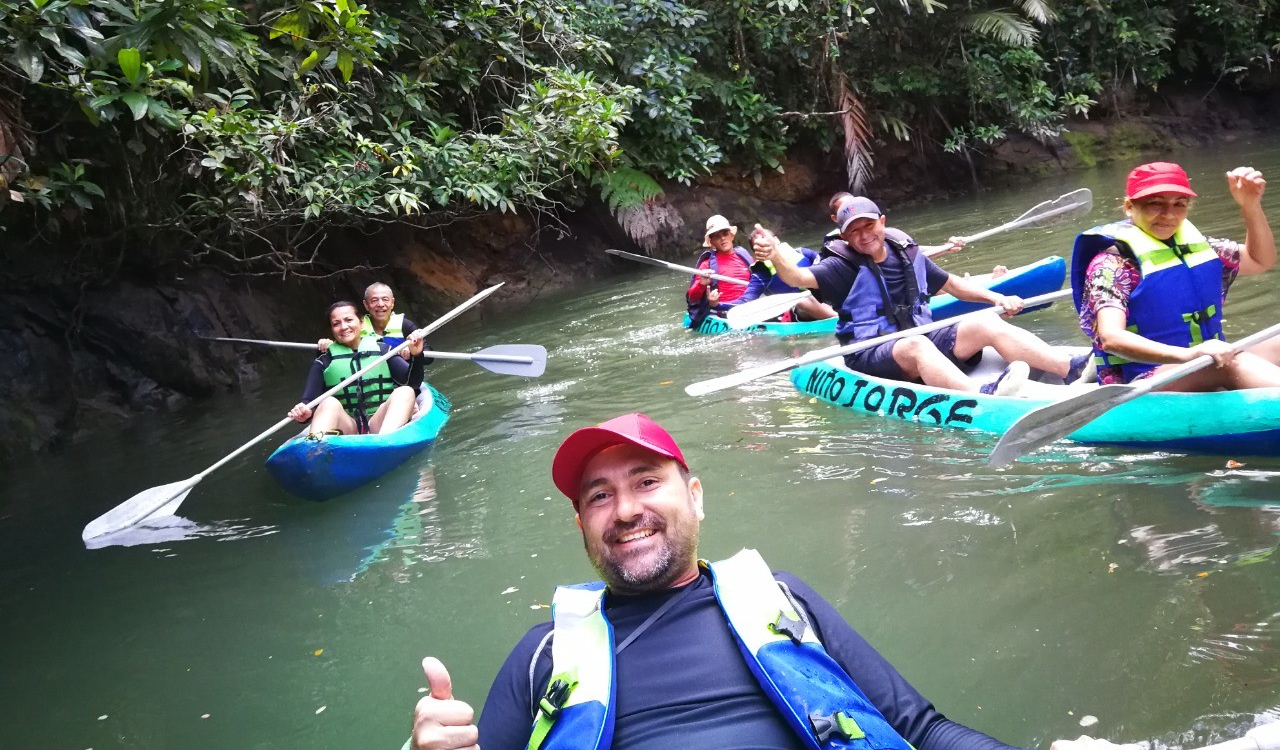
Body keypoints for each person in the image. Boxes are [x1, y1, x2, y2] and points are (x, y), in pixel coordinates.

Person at [408, 413, 1102, 750]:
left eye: (647, 482)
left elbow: (922, 729)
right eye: (599, 496)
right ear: (582, 525)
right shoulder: (542, 656)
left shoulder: (783, 601)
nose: (624, 511)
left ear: (696, 497)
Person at [755, 197, 1092, 396]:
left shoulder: (906, 253)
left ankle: (1069, 369)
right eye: (853, 231)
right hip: (871, 351)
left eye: (868, 225)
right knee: (916, 345)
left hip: (921, 334)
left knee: (985, 322)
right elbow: (797, 277)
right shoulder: (840, 267)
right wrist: (775, 255)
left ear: (882, 222)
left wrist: (996, 299)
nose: (863, 235)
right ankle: (980, 396)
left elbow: (953, 285)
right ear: (844, 237)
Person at [1072, 161, 1280, 390]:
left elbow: (1259, 261)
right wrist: (1191, 355)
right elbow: (1111, 338)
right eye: (1155, 203)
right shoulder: (1111, 265)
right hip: (1142, 380)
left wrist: (1250, 206)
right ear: (1130, 207)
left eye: (1179, 204)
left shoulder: (1200, 248)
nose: (1168, 215)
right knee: (1228, 365)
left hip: (1205, 361)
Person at [289, 300, 429, 436]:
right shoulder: (324, 361)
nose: (344, 327)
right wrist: (304, 412)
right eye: (336, 324)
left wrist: (416, 356)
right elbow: (309, 401)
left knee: (405, 391)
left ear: (361, 323)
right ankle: (315, 446)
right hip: (347, 427)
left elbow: (412, 383)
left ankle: (384, 442)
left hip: (380, 422)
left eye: (349, 320)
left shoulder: (383, 350)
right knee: (328, 403)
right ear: (332, 330)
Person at [825, 191, 967, 260]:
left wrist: (945, 248)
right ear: (834, 218)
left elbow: (909, 250)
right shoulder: (835, 244)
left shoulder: (878, 230)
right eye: (844, 208)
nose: (852, 209)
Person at [742, 225, 837, 321]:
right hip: (797, 308)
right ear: (757, 253)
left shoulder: (802, 252)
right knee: (803, 301)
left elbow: (828, 268)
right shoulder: (761, 270)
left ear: (776, 239)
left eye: (764, 239)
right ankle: (836, 317)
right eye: (758, 246)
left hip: (822, 295)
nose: (764, 246)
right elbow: (749, 296)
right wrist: (733, 308)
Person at [685, 214, 754, 327]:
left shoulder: (746, 257)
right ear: (712, 242)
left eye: (725, 233)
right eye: (717, 236)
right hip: (724, 312)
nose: (722, 238)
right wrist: (701, 284)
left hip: (750, 307)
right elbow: (692, 298)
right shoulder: (706, 265)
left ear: (731, 236)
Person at [317, 281, 418, 355]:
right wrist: (330, 345)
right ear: (366, 305)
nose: (380, 304)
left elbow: (424, 354)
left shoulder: (405, 325)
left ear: (392, 303)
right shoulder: (355, 325)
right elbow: (343, 346)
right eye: (374, 300)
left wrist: (412, 350)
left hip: (400, 373)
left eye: (385, 299)